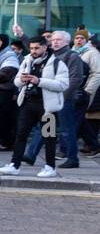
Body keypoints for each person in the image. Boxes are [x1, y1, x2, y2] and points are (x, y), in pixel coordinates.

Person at [0, 34, 70, 178]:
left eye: (37, 48)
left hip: (48, 107)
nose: (33, 51)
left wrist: (39, 81)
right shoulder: (26, 61)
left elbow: (63, 85)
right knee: (21, 134)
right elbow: (16, 81)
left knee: (49, 137)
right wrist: (22, 80)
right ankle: (14, 165)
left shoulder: (57, 63)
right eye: (31, 48)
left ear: (44, 47)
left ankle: (50, 167)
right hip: (28, 103)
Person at [20, 30, 84, 169]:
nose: (55, 41)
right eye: (53, 39)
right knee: (43, 127)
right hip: (47, 98)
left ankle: (72, 158)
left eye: (59, 40)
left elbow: (75, 79)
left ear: (67, 42)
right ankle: (31, 155)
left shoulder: (72, 56)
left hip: (63, 99)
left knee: (66, 130)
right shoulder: (49, 56)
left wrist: (60, 96)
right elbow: (33, 49)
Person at [75, 32, 100, 155]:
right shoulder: (76, 52)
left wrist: (88, 90)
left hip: (86, 91)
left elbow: (97, 73)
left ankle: (65, 149)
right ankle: (93, 145)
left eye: (82, 38)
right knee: (81, 120)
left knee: (80, 119)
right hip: (77, 91)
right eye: (77, 38)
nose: (78, 40)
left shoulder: (92, 53)